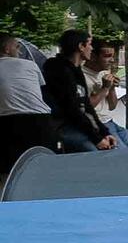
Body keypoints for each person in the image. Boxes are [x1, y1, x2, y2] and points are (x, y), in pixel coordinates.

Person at [44, 30, 111, 153]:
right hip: (63, 127)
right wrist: (97, 139)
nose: (91, 48)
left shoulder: (76, 70)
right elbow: (72, 109)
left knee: (115, 150)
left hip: (79, 126)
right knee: (99, 157)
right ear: (81, 46)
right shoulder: (58, 70)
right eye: (89, 44)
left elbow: (86, 105)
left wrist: (104, 132)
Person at [0, 35, 56, 176]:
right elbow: (40, 90)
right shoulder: (30, 65)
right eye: (17, 46)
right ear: (6, 49)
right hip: (40, 119)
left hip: (7, 121)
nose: (19, 50)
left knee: (9, 170)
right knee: (44, 165)